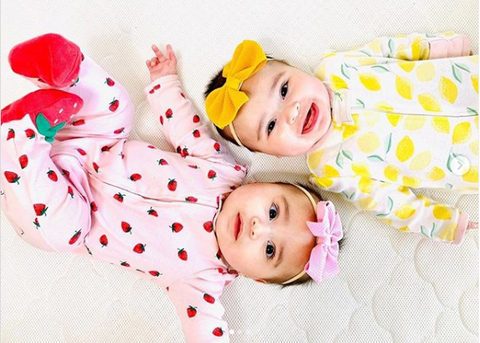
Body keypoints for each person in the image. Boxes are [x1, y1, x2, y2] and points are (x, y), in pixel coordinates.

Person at [0, 34, 343, 343]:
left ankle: (22, 133)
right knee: (117, 109)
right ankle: (65, 68)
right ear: (263, 184)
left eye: (270, 250)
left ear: (256, 278)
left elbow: (206, 332)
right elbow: (184, 128)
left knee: (60, 233)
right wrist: (165, 83)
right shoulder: (222, 169)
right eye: (272, 212)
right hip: (97, 142)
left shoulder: (200, 282)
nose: (258, 228)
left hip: (63, 202)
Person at [204, 33, 478, 245]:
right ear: (276, 154)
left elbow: (389, 50)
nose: (292, 111)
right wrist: (442, 223)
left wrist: (438, 48)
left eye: (285, 89)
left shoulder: (338, 67)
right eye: (272, 125)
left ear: (296, 68)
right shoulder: (330, 168)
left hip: (465, 81)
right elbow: (388, 203)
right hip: (465, 156)